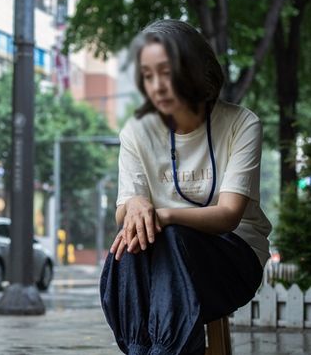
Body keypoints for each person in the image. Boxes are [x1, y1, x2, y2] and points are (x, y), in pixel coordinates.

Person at [100, 19, 271, 355]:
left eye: (166, 72)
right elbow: (126, 211)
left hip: (231, 261)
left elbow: (228, 215)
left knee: (166, 235)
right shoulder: (137, 131)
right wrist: (134, 204)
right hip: (157, 260)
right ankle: (143, 349)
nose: (157, 85)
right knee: (132, 239)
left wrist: (163, 215)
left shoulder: (242, 123)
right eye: (148, 75)